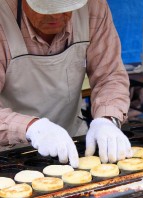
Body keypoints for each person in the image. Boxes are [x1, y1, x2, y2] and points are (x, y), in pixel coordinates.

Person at [0, 0, 132, 167]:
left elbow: (110, 75)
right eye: (44, 8)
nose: (55, 15)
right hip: (9, 154)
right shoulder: (3, 19)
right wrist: (32, 128)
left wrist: (107, 119)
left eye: (65, 8)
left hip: (75, 142)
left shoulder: (93, 7)